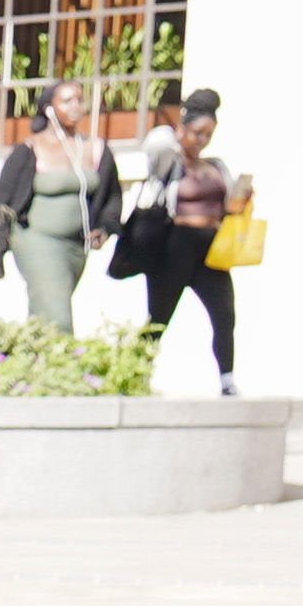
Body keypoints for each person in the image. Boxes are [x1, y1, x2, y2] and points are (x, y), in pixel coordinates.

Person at [114, 91, 242, 392]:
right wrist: (181, 125)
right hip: (176, 244)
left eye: (208, 135)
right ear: (183, 129)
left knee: (225, 314)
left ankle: (227, 379)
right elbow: (157, 142)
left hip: (211, 248)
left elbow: (230, 203)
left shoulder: (216, 166)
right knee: (159, 316)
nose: (202, 140)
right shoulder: (168, 161)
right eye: (197, 132)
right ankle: (136, 373)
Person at [0, 84, 111, 337]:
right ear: (49, 109)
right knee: (58, 318)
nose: (75, 107)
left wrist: (104, 227)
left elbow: (111, 197)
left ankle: (33, 367)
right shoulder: (29, 149)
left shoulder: (95, 148)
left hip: (75, 248)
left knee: (44, 313)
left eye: (79, 100)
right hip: (36, 241)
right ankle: (64, 368)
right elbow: (3, 200)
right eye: (67, 101)